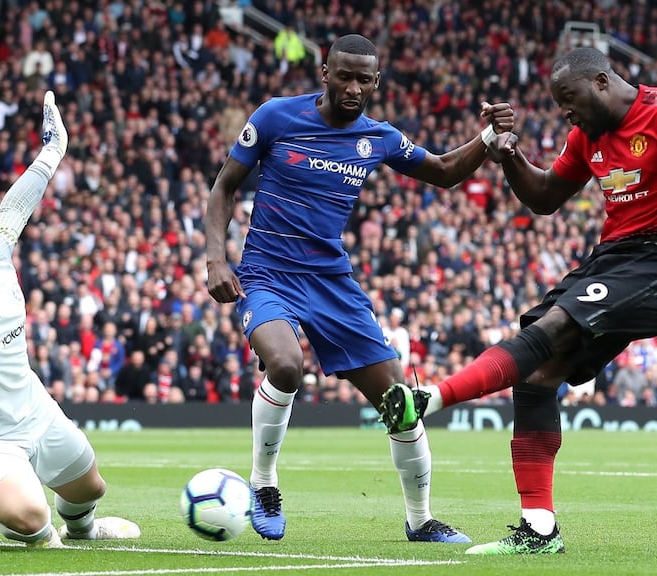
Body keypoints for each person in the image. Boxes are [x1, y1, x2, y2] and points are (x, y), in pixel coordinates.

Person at [380, 47, 657, 554]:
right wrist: (508, 154)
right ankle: (539, 530)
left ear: (601, 81)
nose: (565, 112)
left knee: (551, 328)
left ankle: (429, 400)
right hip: (613, 259)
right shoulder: (586, 137)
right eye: (558, 103)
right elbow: (545, 197)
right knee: (536, 375)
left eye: (569, 99)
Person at [205, 33, 514, 543]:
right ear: (325, 73)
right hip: (268, 273)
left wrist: (486, 138)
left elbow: (442, 171)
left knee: (399, 402)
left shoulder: (380, 138)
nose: (352, 88)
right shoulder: (276, 116)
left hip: (331, 282)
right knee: (285, 364)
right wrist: (216, 259)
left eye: (363, 80)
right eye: (344, 76)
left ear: (376, 82)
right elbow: (224, 187)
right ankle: (263, 483)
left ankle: (420, 520)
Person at [0, 91, 140, 549]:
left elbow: (16, 207)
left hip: (36, 411)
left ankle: (83, 529)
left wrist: (53, 151)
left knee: (91, 488)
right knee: (32, 517)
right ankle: (24, 521)